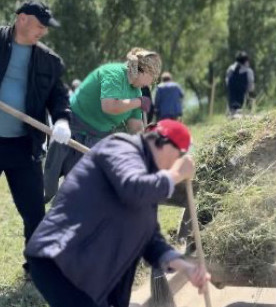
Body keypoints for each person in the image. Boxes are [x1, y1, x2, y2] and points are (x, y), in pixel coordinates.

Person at [26, 119, 210, 307]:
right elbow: (133, 189)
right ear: (163, 143)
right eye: (179, 155)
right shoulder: (121, 147)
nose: (176, 162)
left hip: (87, 275)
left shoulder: (147, 180)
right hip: (64, 259)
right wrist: (176, 174)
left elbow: (150, 241)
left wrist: (186, 267)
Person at [0, 0, 71, 276]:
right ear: (22, 19)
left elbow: (59, 96)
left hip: (23, 146)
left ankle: (37, 268)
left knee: (34, 213)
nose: (43, 32)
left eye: (45, 28)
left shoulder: (49, 61)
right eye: (40, 25)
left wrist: (62, 119)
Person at [43, 48, 161, 203]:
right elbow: (109, 106)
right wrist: (138, 103)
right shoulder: (114, 73)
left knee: (78, 186)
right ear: (143, 71)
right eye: (152, 78)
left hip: (97, 137)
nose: (151, 83)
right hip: (72, 125)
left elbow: (134, 126)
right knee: (49, 184)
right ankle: (43, 195)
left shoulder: (136, 93)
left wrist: (144, 142)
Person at [225, 51, 255, 116]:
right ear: (246, 62)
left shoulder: (229, 69)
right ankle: (248, 111)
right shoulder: (248, 71)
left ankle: (230, 112)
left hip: (231, 105)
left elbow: (227, 84)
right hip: (242, 105)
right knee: (250, 94)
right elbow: (251, 89)